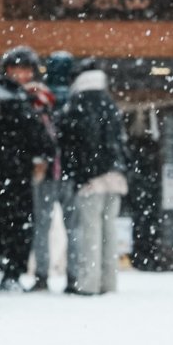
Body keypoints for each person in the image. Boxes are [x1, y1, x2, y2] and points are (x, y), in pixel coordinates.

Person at [0, 46, 57, 290]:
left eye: (27, 70)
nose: (23, 75)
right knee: (15, 224)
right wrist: (43, 153)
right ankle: (8, 271)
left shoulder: (2, 95)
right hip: (11, 169)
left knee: (3, 223)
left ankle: (0, 270)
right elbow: (39, 136)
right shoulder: (17, 99)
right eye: (18, 70)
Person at [57, 67, 128, 295]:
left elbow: (73, 144)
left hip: (91, 180)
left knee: (90, 232)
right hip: (115, 177)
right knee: (109, 230)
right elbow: (119, 142)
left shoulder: (77, 104)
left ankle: (88, 283)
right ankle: (109, 282)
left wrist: (79, 173)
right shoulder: (109, 103)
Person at [38, 51, 79, 290]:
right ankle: (72, 276)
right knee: (73, 227)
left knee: (42, 227)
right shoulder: (76, 99)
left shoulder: (42, 98)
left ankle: (42, 275)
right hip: (71, 172)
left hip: (44, 171)